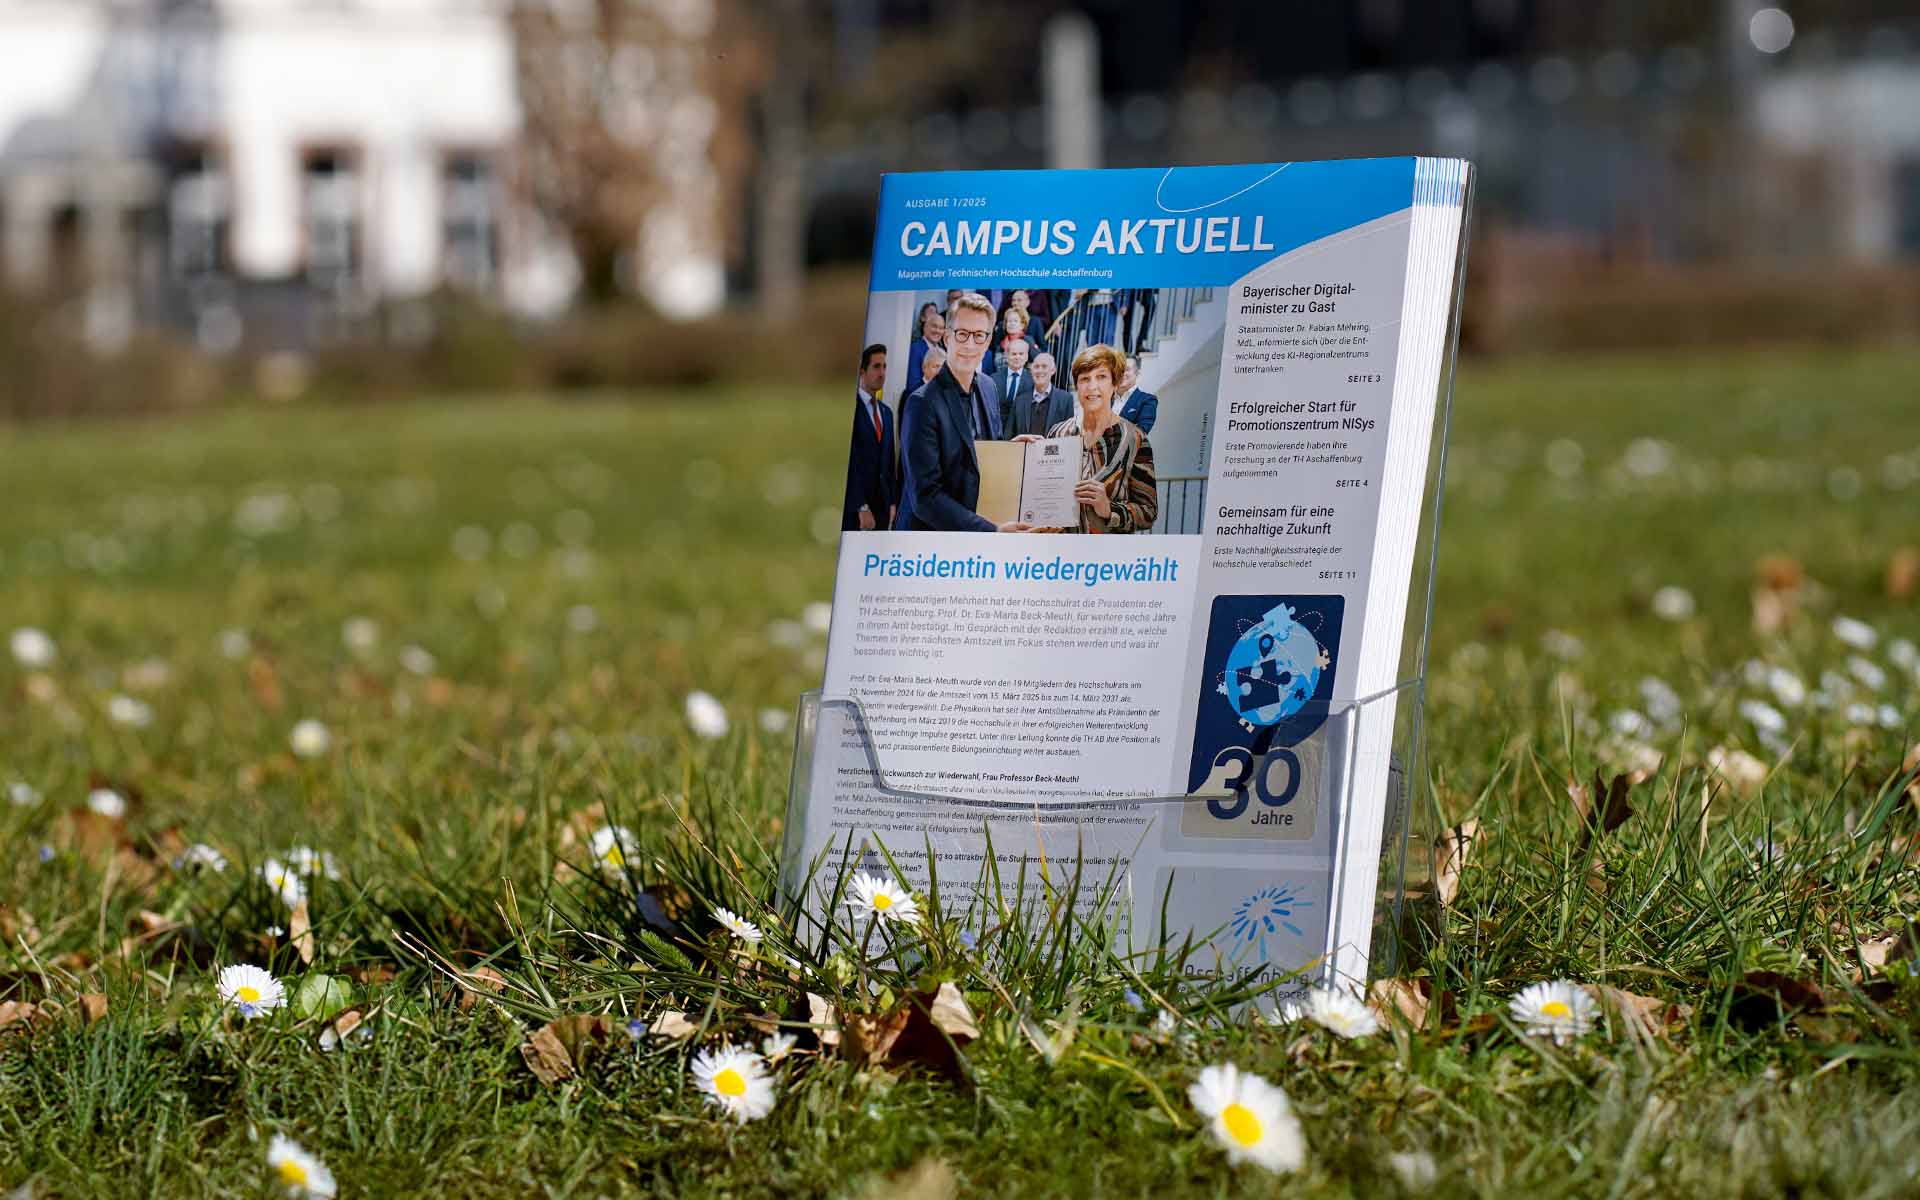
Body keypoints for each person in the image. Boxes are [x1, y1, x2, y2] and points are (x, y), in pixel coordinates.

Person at [904, 292, 1025, 533]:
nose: (970, 345)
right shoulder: (921, 402)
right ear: (947, 337)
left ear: (989, 341)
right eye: (962, 334)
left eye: (979, 335)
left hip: (979, 531)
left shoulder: (989, 387)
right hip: (932, 542)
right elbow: (926, 498)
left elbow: (982, 455)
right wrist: (991, 531)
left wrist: (1012, 449)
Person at [1041, 342, 1157, 534]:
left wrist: (1109, 509)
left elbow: (1149, 512)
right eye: (1084, 379)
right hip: (1059, 555)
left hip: (1107, 559)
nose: (1092, 386)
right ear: (1077, 386)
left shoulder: (1135, 440)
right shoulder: (1058, 433)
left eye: (1101, 377)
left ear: (1114, 384)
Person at [843, 343, 898, 532]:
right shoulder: (851, 409)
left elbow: (889, 462)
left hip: (882, 511)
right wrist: (861, 506)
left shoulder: (887, 413)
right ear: (862, 371)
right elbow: (850, 462)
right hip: (856, 511)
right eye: (876, 367)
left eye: (884, 367)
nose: (882, 373)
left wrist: (892, 502)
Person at [892, 344, 945, 531]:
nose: (940, 371)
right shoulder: (911, 394)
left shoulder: (945, 396)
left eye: (943, 367)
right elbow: (905, 435)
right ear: (925, 368)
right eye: (936, 366)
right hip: (913, 470)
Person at [1011, 351, 1075, 438]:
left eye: (1044, 366)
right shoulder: (1020, 400)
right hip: (1022, 451)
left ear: (1053, 370)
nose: (1040, 371)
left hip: (1051, 451)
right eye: (1036, 367)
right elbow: (1009, 435)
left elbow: (1069, 437)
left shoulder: (1066, 399)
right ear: (1031, 370)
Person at [994, 336, 1035, 438]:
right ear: (1007, 355)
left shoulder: (1033, 381)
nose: (1017, 357)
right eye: (1013, 354)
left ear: (1026, 357)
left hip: (1021, 433)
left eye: (1021, 354)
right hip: (996, 432)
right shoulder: (993, 379)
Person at [1113, 355, 1159, 434]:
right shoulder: (1105, 398)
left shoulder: (1148, 400)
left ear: (1137, 373)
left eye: (1127, 369)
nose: (1122, 373)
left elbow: (1139, 433)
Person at [904, 310, 945, 396]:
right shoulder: (915, 348)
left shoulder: (943, 351)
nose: (938, 331)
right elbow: (913, 386)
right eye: (934, 326)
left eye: (941, 328)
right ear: (925, 327)